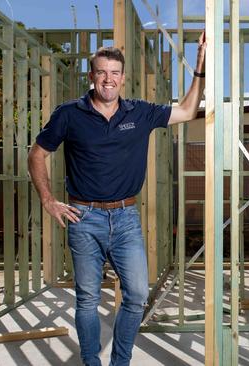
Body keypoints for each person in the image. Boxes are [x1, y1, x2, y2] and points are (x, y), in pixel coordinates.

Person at [28, 33, 206, 366]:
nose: (108, 79)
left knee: (137, 295)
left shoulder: (140, 113)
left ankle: (119, 362)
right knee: (87, 299)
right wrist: (49, 200)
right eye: (101, 72)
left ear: (123, 78)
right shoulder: (69, 114)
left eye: (115, 73)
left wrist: (200, 65)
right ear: (91, 76)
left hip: (125, 219)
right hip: (83, 218)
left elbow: (187, 110)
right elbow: (37, 154)